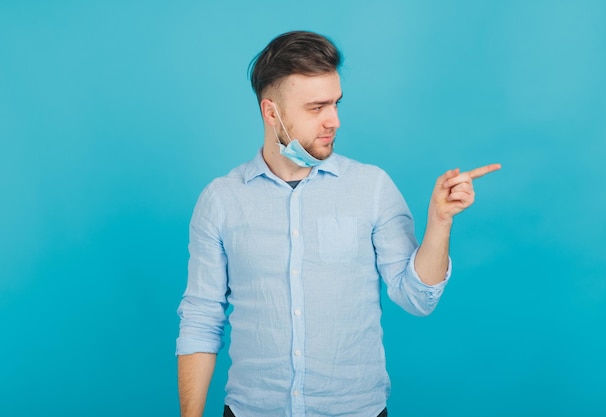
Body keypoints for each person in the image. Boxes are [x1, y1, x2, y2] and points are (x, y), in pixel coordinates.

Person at [176, 30, 500, 417]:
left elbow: (416, 298)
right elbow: (201, 317)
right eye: (316, 108)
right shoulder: (221, 200)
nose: (335, 121)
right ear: (271, 112)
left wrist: (440, 222)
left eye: (336, 104)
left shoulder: (372, 187)